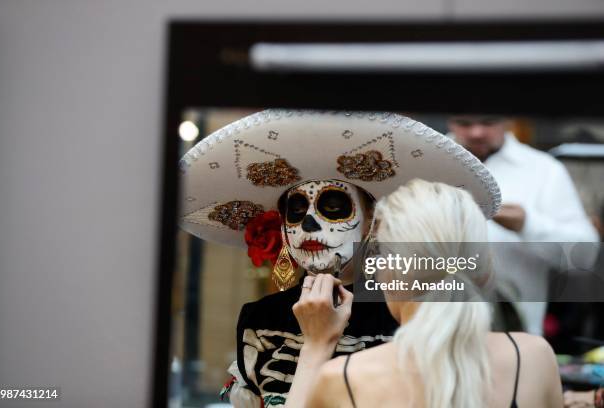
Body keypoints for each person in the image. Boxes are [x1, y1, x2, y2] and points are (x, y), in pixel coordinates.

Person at [178, 110, 500, 407]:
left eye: (333, 207)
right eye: (297, 211)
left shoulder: (408, 311)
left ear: (370, 219)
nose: (308, 225)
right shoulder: (260, 318)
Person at [306, 179, 564, 408]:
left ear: (389, 272)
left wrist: (316, 346)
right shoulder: (532, 358)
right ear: (485, 269)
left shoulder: (345, 380)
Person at [448, 116, 599, 334]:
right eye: (464, 123)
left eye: (488, 122)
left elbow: (585, 255)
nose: (476, 132)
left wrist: (527, 225)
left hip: (516, 340)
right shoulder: (419, 163)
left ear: (507, 119)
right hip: (432, 335)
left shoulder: (544, 170)